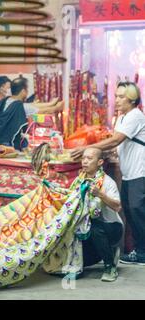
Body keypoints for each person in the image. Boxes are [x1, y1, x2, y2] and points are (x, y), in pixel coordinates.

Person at [71, 81, 145, 265]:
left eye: (121, 97)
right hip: (129, 172)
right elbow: (119, 144)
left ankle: (143, 252)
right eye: (116, 96)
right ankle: (139, 251)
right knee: (129, 209)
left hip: (140, 171)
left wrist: (88, 148)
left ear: (132, 99)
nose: (117, 100)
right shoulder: (122, 117)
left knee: (137, 210)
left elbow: (116, 140)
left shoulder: (135, 115)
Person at [78, 148, 123, 282]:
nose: (85, 161)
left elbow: (117, 206)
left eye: (89, 158)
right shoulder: (79, 180)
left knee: (95, 226)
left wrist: (100, 194)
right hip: (88, 228)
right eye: (83, 158)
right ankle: (110, 252)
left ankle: (110, 267)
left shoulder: (108, 182)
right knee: (82, 263)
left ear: (100, 162)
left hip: (111, 228)